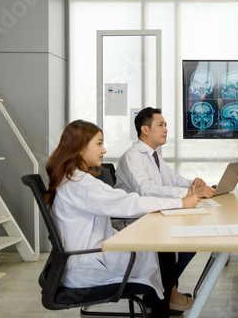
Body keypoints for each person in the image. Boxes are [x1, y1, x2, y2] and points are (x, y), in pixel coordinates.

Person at [44, 120, 199, 318]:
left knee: (157, 249)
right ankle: (160, 305)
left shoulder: (74, 179)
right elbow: (129, 203)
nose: (104, 149)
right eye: (99, 143)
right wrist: (180, 202)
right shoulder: (81, 185)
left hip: (86, 260)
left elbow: (129, 201)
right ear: (80, 147)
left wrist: (180, 198)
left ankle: (162, 298)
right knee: (162, 252)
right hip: (88, 268)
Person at [115, 107, 215, 311]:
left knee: (190, 241)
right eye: (160, 125)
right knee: (182, 242)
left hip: (155, 214)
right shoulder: (133, 156)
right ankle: (161, 293)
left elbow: (173, 179)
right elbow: (146, 190)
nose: (166, 129)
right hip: (137, 220)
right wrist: (188, 194)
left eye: (166, 125)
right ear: (145, 129)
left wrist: (194, 185)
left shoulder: (154, 156)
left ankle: (165, 290)